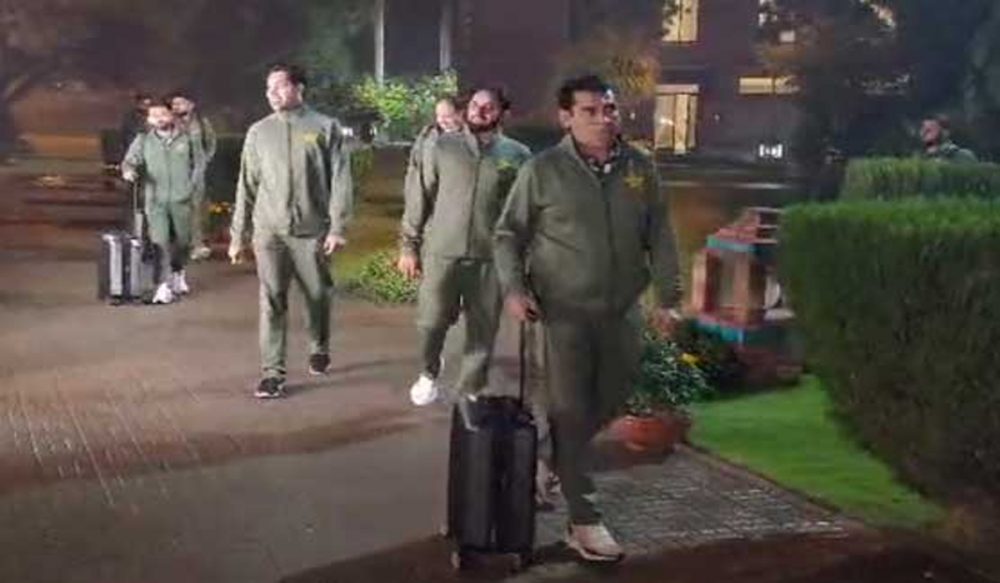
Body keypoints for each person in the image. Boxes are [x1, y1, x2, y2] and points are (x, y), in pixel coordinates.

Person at [493, 74, 682, 563]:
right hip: (562, 312)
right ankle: (585, 520)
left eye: (609, 109)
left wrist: (669, 297)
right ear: (566, 118)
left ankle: (549, 457)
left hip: (622, 309)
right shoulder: (543, 170)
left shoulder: (639, 168)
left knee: (615, 395)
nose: (603, 119)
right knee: (571, 409)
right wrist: (514, 288)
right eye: (590, 111)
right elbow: (508, 235)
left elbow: (660, 233)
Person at [397, 87, 531, 406]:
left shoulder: (517, 155)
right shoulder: (443, 147)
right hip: (442, 252)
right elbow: (420, 196)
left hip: (490, 258)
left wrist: (522, 262)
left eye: (488, 107)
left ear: (502, 113)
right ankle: (429, 371)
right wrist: (408, 246)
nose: (479, 112)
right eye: (474, 105)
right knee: (431, 322)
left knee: (482, 330)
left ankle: (471, 387)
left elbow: (524, 212)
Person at [228, 63, 353, 399]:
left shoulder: (325, 127)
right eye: (268, 88)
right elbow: (246, 185)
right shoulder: (259, 132)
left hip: (311, 232)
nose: (272, 94)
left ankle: (319, 345)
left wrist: (337, 227)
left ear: (299, 88)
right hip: (269, 232)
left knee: (317, 296)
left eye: (280, 86)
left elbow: (341, 180)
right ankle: (273, 373)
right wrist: (238, 235)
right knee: (272, 300)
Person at [121, 99, 201, 305]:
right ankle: (162, 286)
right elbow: (129, 161)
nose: (159, 119)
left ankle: (178, 272)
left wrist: (191, 187)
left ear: (172, 115)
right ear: (148, 119)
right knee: (160, 243)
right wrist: (129, 170)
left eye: (163, 114)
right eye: (154, 116)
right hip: (155, 200)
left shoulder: (187, 138)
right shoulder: (143, 140)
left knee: (183, 241)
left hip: (182, 199)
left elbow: (198, 164)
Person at [170, 91, 218, 261]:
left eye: (180, 103)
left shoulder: (201, 123)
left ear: (191, 105)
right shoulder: (169, 123)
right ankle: (176, 246)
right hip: (174, 175)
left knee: (196, 211)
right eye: (174, 104)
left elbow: (211, 143)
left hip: (196, 175)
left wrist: (204, 160)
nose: (176, 107)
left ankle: (197, 245)